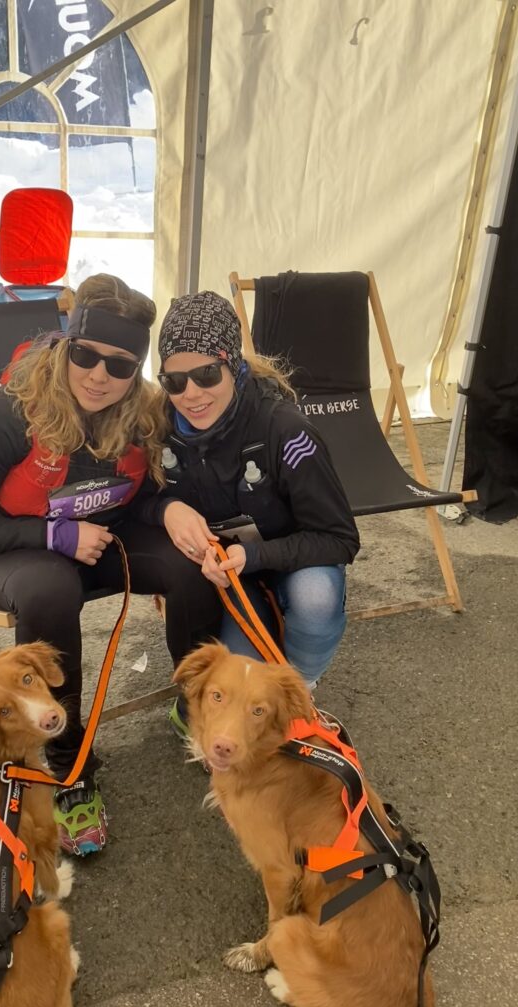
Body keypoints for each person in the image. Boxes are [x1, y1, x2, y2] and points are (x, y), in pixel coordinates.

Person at [0, 275, 222, 856]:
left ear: (137, 371)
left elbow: (147, 495)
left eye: (119, 365)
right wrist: (54, 534)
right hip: (17, 553)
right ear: (66, 346)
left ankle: (196, 706)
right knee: (50, 592)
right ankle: (68, 768)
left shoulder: (144, 412)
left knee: (193, 559)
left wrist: (169, 509)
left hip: (104, 541)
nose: (98, 376)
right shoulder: (13, 410)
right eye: (85, 355)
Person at [143, 290, 360, 736]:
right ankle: (213, 697)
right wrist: (167, 508)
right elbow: (131, 500)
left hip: (290, 561)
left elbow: (340, 538)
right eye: (174, 380)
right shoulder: (155, 425)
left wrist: (256, 556)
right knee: (236, 680)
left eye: (206, 374)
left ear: (234, 365)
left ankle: (296, 692)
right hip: (226, 577)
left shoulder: (286, 430)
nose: (191, 394)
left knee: (316, 599)